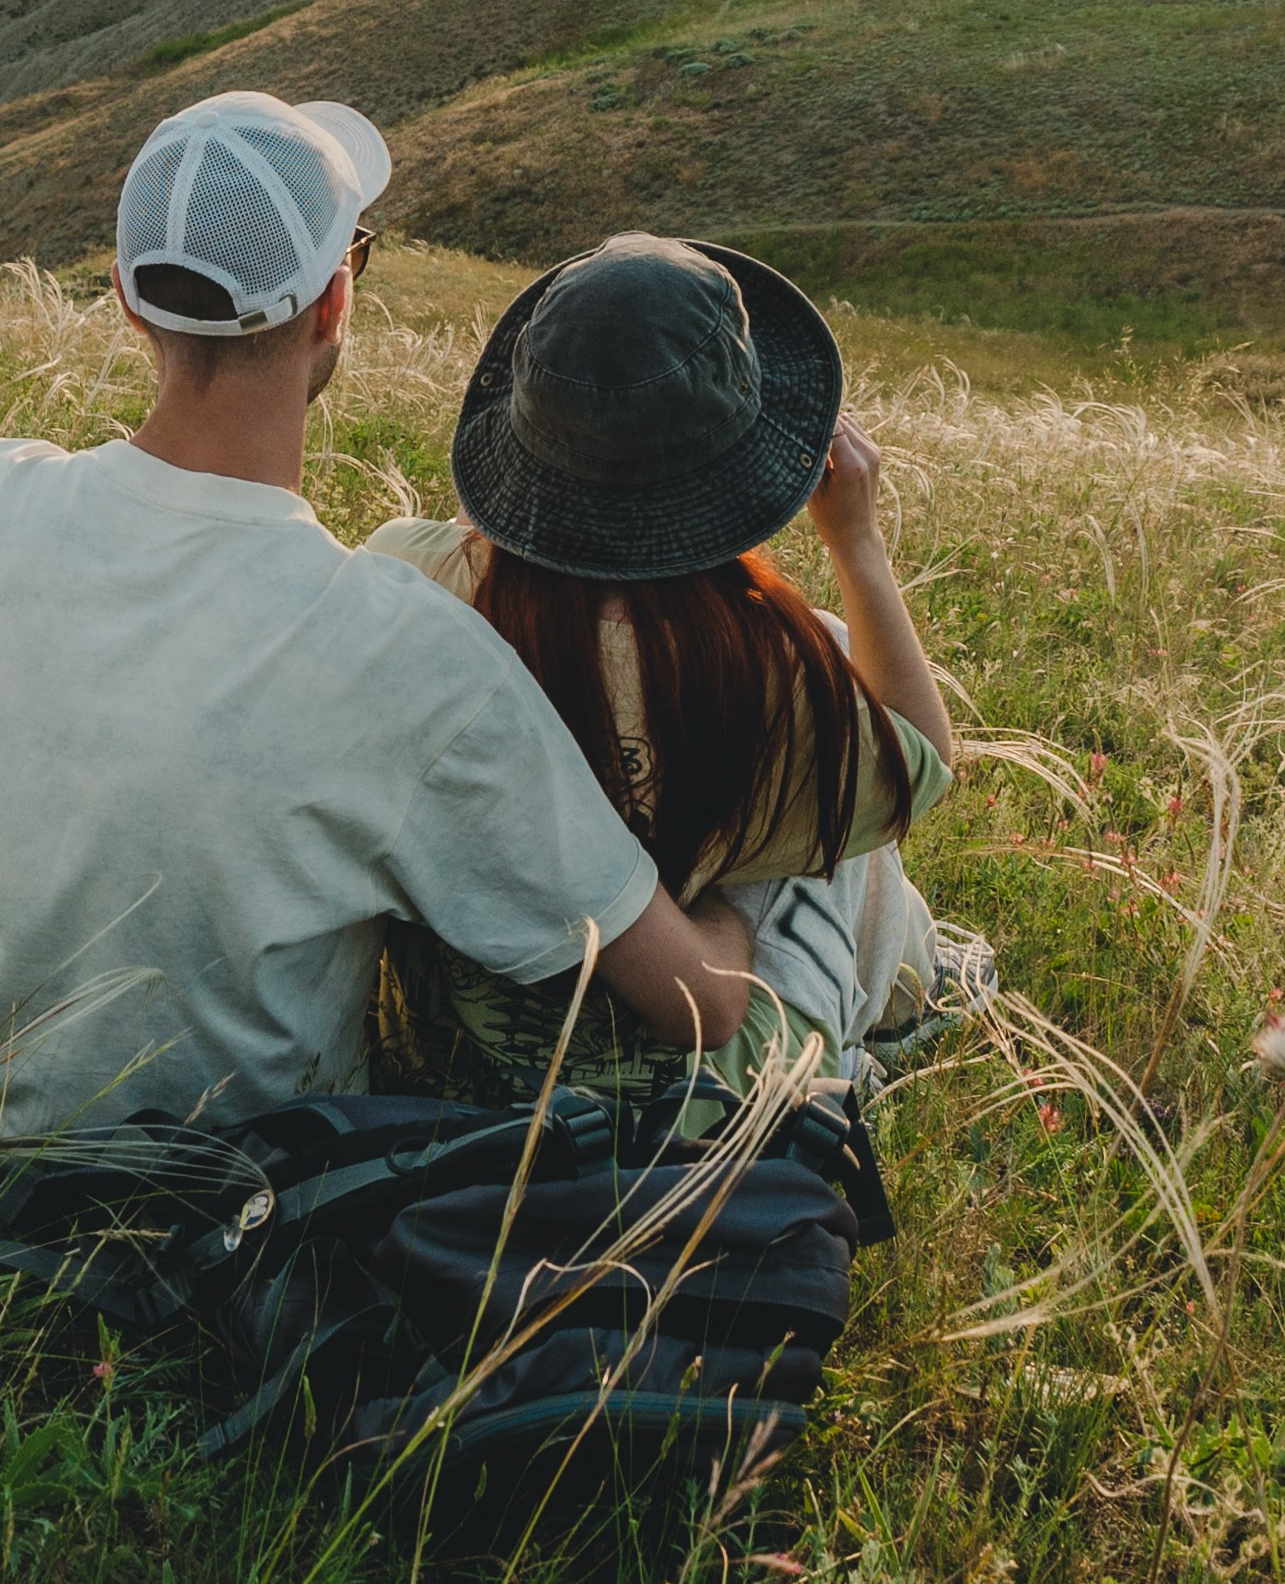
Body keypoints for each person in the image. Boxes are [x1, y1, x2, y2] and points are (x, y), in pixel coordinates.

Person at [0, 94, 760, 1146]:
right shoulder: (404, 650)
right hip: (201, 1204)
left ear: (133, 306)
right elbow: (699, 1004)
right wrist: (749, 910)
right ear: (335, 301)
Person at [365, 233, 960, 1107]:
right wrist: (856, 540)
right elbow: (921, 766)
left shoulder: (407, 583)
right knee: (835, 856)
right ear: (743, 460)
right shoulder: (792, 666)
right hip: (705, 1084)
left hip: (470, 1047)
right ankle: (915, 993)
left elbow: (464, 548)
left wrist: (524, 498)